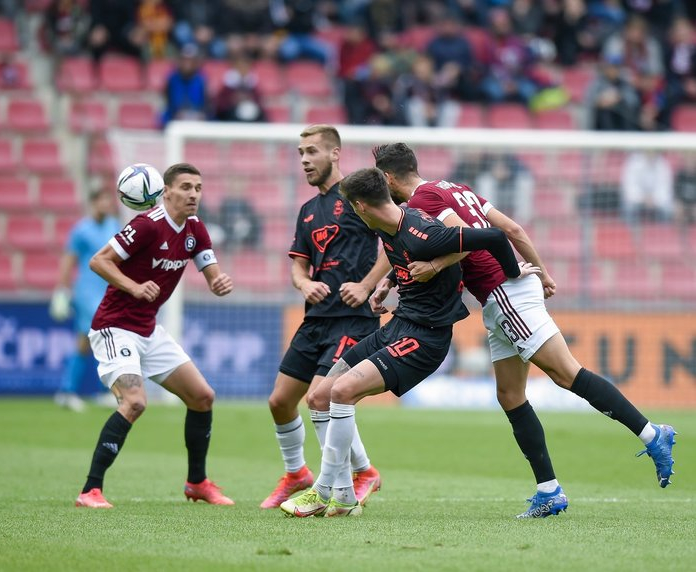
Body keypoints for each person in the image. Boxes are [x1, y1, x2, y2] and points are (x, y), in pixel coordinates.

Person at [373, 142, 678, 517]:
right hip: (504, 291)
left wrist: (436, 268)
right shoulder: (454, 188)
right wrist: (542, 271)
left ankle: (651, 433)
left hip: (504, 291)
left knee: (566, 374)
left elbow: (465, 241)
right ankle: (549, 491)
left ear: (388, 177)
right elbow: (512, 228)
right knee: (510, 394)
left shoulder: (421, 204)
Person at [280, 167, 535, 518]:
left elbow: (492, 236)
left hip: (425, 339)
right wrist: (387, 283)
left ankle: (323, 491)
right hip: (397, 326)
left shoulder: (423, 233)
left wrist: (511, 272)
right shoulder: (389, 227)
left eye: (351, 210)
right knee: (319, 395)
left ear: (361, 207)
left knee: (342, 392)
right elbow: (403, 258)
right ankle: (344, 497)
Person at [75, 163, 234, 509]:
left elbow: (211, 273)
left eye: (198, 188)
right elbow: (99, 261)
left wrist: (218, 282)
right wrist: (133, 286)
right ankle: (90, 491)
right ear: (167, 191)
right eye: (186, 187)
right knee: (135, 402)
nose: (194, 194)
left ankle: (197, 483)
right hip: (115, 327)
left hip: (148, 328)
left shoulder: (195, 230)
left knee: (202, 396)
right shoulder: (147, 226)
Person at [260, 125, 383, 510]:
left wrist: (365, 286)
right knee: (280, 401)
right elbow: (298, 265)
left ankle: (355, 477)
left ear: (335, 154)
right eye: (300, 153)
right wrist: (303, 284)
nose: (304, 160)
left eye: (311, 151)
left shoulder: (359, 198)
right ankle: (297, 473)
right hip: (315, 319)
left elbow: (394, 242)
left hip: (352, 319)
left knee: (319, 397)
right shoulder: (307, 211)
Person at [50, 188, 121, 412]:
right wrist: (62, 289)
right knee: (93, 338)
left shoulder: (115, 227)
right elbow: (69, 260)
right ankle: (68, 390)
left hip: (108, 290)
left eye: (107, 200)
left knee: (92, 341)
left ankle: (90, 391)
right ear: (93, 203)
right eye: (101, 200)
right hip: (87, 292)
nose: (105, 204)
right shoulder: (81, 230)